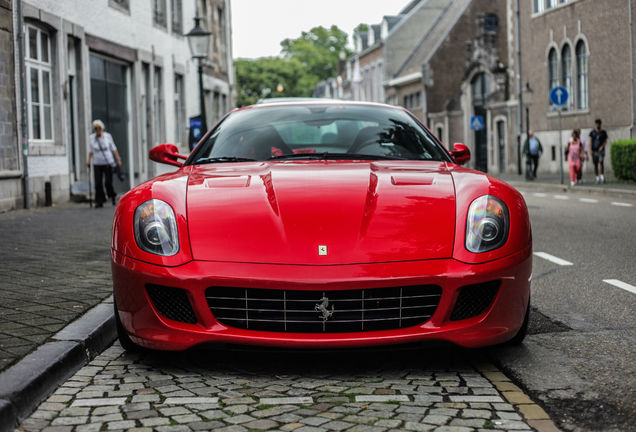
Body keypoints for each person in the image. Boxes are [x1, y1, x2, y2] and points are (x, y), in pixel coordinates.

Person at [87, 120, 122, 207]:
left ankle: (112, 195)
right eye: (95, 128)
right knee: (98, 182)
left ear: (102, 128)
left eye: (99, 128)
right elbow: (91, 151)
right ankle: (99, 200)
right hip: (97, 162)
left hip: (107, 162)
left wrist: (118, 159)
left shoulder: (107, 136)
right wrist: (88, 161)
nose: (97, 130)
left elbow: (113, 148)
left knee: (108, 182)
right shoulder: (92, 138)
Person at [589, 119, 608, 183]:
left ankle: (602, 175)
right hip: (594, 150)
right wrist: (590, 149)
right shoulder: (592, 132)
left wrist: (602, 146)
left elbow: (605, 141)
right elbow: (591, 141)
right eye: (596, 124)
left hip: (601, 150)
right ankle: (597, 177)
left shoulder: (603, 132)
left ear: (600, 124)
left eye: (598, 124)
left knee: (601, 162)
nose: (597, 125)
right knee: (595, 164)